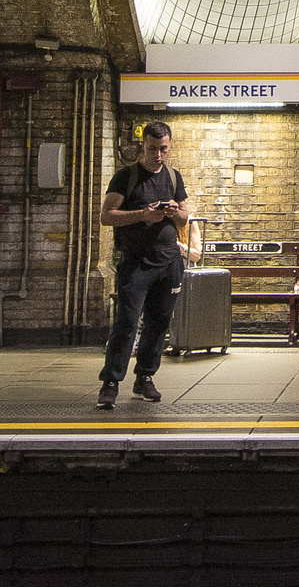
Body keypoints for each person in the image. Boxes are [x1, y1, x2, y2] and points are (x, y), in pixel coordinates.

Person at [96, 121, 198, 409]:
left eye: (163, 149)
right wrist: (143, 214)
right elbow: (107, 215)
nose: (158, 155)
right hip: (137, 263)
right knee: (127, 323)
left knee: (158, 322)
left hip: (169, 263)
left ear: (169, 146)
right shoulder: (126, 178)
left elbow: (184, 218)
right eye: (152, 149)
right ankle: (111, 383)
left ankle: (144, 379)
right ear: (143, 145)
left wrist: (174, 212)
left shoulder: (174, 178)